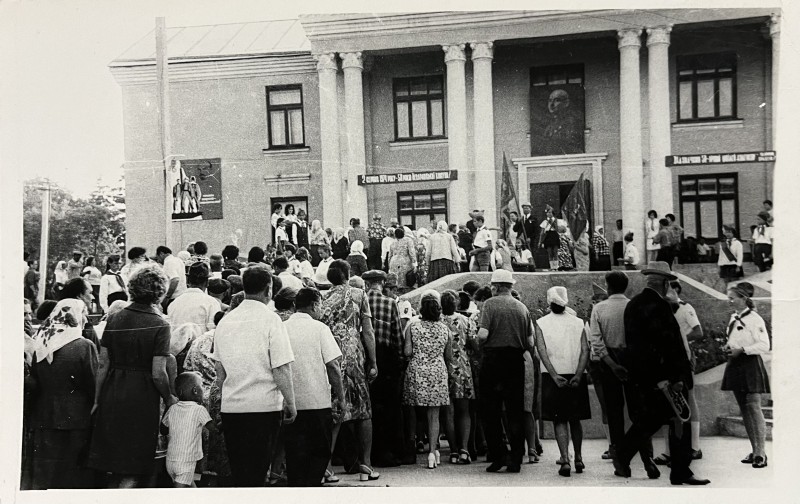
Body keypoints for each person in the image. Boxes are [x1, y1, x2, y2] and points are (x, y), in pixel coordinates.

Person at [612, 261, 709, 486]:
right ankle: (680, 471)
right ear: (665, 283)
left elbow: (635, 346)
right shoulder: (660, 306)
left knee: (651, 419)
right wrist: (676, 378)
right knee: (680, 420)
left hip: (644, 377)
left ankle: (624, 452)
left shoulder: (633, 304)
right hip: (667, 379)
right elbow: (670, 346)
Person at [88, 264, 177, 488]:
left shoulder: (115, 318)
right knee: (134, 463)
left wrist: (97, 399)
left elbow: (103, 363)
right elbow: (159, 373)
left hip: (113, 390)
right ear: (160, 292)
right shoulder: (160, 324)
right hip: (141, 395)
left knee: (115, 462)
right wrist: (169, 398)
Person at [213, 264, 296, 486]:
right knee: (259, 473)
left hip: (232, 408)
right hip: (264, 407)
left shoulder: (226, 321)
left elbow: (219, 373)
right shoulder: (271, 320)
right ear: (269, 289)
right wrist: (291, 402)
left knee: (240, 473)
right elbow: (280, 367)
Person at [588, 271, 659, 476]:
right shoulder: (635, 305)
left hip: (610, 363)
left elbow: (597, 342)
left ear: (608, 287)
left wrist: (611, 364)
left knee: (615, 414)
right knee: (639, 413)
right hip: (634, 362)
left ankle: (622, 462)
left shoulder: (599, 308)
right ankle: (648, 460)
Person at [27, 295, 98, 489]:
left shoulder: (41, 344)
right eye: (83, 313)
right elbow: (94, 386)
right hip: (76, 419)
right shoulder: (84, 346)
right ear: (75, 316)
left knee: (45, 475)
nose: (85, 318)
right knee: (71, 476)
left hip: (43, 416)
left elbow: (34, 380)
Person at [319, 260, 379, 482]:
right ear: (347, 274)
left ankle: (325, 467)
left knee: (335, 411)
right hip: (354, 356)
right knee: (363, 411)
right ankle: (366, 464)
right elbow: (368, 331)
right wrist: (373, 361)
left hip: (330, 355)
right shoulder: (358, 294)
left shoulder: (322, 298)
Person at [283, 288, 345, 486]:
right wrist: (342, 398)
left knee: (294, 456)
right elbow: (333, 365)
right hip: (317, 402)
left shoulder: (282, 328)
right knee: (318, 454)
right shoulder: (320, 329)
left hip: (290, 403)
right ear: (314, 305)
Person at [476, 270, 532, 473]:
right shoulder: (522, 307)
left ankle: (498, 456)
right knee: (515, 411)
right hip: (515, 360)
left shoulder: (490, 304)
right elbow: (530, 341)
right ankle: (516, 458)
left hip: (493, 360)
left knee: (490, 411)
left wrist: (477, 343)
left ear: (496, 286)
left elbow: (483, 334)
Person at [535, 286, 590, 477]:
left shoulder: (541, 323)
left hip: (553, 376)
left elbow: (542, 351)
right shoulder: (578, 322)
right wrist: (579, 373)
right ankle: (579, 458)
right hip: (575, 374)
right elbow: (585, 350)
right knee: (575, 419)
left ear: (549, 303)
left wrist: (552, 374)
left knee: (559, 420)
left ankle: (564, 458)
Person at [654, 280, 704, 465]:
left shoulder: (685, 308)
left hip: (683, 359)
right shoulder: (662, 309)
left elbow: (698, 332)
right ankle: (669, 451)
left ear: (675, 290)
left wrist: (679, 339)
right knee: (670, 403)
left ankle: (695, 447)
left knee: (689, 400)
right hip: (668, 360)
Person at [721, 282, 771, 468]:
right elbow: (734, 339)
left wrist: (742, 350)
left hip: (750, 364)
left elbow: (765, 345)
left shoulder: (755, 319)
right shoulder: (734, 317)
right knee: (744, 408)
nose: (730, 301)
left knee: (753, 406)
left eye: (732, 298)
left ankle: (761, 453)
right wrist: (729, 347)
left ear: (744, 298)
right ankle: (754, 449)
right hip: (736, 364)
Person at [403, 290, 452, 470]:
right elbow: (449, 355)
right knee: (434, 415)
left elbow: (407, 351)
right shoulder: (444, 329)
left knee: (413, 412)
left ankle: (413, 444)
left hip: (417, 370)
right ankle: (433, 451)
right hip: (438, 372)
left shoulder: (412, 326)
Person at [361, 270, 406, 467]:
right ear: (381, 282)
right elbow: (397, 335)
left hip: (363, 355)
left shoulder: (359, 302)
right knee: (387, 408)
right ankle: (386, 452)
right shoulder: (390, 303)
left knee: (366, 406)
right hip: (385, 358)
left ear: (366, 283)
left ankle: (362, 455)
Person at [440, 290, 475, 465]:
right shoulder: (465, 320)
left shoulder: (437, 321)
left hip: (443, 367)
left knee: (448, 412)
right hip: (462, 367)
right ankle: (464, 449)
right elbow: (473, 343)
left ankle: (453, 450)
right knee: (464, 411)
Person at [161, 372, 212, 488]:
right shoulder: (199, 410)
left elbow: (163, 430)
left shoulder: (173, 408)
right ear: (195, 390)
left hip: (170, 460)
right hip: (187, 461)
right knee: (179, 495)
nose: (203, 389)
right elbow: (213, 429)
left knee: (189, 485)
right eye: (202, 386)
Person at [168, 262, 219, 358]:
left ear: (188, 281)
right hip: (198, 357)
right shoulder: (211, 303)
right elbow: (214, 334)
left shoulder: (174, 303)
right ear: (207, 282)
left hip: (175, 355)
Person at [156, 246, 188, 312]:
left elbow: (175, 280)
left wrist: (167, 297)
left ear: (161, 254)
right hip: (182, 295)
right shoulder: (178, 260)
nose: (158, 260)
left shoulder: (168, 262)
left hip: (173, 298)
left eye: (157, 257)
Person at [388, 227, 417, 291]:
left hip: (393, 261)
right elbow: (412, 252)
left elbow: (389, 255)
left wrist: (389, 265)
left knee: (396, 280)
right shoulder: (408, 240)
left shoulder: (393, 243)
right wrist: (414, 262)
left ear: (395, 235)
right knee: (404, 281)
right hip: (404, 261)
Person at [538, 206, 562, 271]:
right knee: (550, 252)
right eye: (548, 212)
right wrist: (540, 241)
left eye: (550, 212)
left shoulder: (557, 220)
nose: (549, 214)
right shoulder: (545, 222)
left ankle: (556, 267)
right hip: (548, 236)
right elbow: (542, 233)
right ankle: (552, 267)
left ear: (553, 213)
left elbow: (560, 230)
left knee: (555, 252)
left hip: (555, 236)